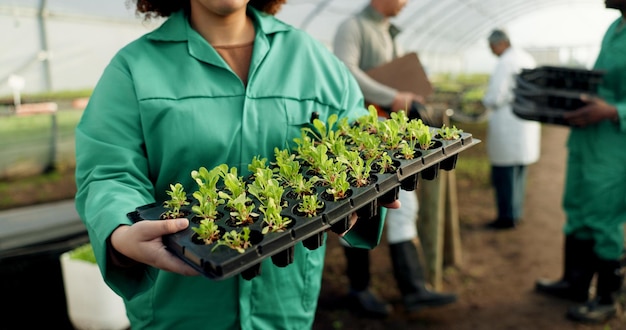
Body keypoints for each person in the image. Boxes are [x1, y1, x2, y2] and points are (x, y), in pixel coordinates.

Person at [73, 1, 400, 329]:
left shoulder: (312, 59)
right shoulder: (134, 68)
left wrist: (359, 192)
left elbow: (358, 140)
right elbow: (109, 170)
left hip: (284, 306)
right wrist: (120, 229)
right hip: (179, 309)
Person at [332, 0, 457, 317]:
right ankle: (358, 289)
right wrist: (395, 97)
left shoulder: (389, 32)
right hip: (361, 134)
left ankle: (413, 286)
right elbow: (344, 71)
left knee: (403, 204)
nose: (405, 3)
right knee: (358, 207)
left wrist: (408, 95)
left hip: (392, 134)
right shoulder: (353, 27)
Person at [535, 0, 626, 323]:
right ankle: (574, 282)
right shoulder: (614, 29)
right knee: (576, 207)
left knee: (604, 217)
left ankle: (606, 298)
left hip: (615, 145)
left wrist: (614, 110)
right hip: (588, 138)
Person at [481, 29, 541, 230]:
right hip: (524, 123)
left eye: (492, 46)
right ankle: (516, 213)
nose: (491, 50)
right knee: (519, 172)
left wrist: (485, 100)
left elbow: (496, 96)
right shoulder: (525, 57)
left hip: (508, 123)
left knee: (504, 173)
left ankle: (506, 218)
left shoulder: (505, 62)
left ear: (501, 43)